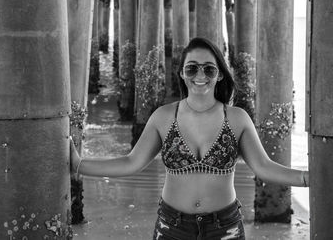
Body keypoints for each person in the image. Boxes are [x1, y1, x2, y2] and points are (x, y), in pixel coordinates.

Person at [70, 37, 309, 240]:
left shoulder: (237, 119)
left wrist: (310, 178)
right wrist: (79, 165)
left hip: (225, 228)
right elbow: (131, 162)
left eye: (209, 69)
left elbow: (264, 168)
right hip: (172, 227)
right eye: (192, 68)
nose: (200, 75)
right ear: (182, 74)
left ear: (220, 75)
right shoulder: (164, 117)